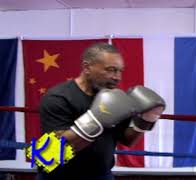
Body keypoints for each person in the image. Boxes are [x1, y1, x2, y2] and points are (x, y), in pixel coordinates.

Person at [37, 42, 165, 180]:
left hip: (102, 175)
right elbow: (53, 151)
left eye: (120, 71)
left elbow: (127, 140)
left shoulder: (115, 99)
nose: (117, 77)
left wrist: (146, 119)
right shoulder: (59, 97)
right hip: (60, 176)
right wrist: (96, 120)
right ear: (87, 67)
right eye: (110, 70)